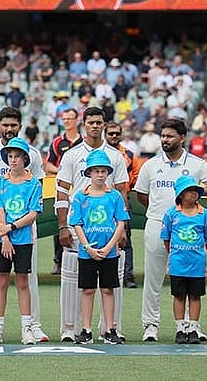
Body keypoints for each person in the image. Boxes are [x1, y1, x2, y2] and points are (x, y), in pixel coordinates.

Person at [134, 118, 207, 342]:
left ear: (182, 138)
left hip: (188, 227)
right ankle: (150, 325)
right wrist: (163, 214)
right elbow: (142, 195)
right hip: (157, 223)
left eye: (170, 136)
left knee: (188, 277)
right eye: (162, 136)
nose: (165, 140)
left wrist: (196, 193)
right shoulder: (151, 164)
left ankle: (190, 326)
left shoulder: (195, 163)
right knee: (153, 278)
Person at [0, 107, 48, 343]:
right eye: (5, 124)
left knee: (27, 275)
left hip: (24, 223)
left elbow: (38, 185)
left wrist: (15, 223)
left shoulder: (32, 154)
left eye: (13, 125)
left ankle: (33, 325)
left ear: (20, 126)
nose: (9, 129)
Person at [55, 106, 128, 342]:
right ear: (83, 124)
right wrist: (63, 225)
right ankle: (71, 328)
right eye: (90, 122)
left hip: (109, 229)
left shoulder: (116, 156)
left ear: (104, 124)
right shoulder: (72, 155)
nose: (95, 126)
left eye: (99, 122)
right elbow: (61, 191)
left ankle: (110, 328)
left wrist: (123, 228)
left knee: (109, 284)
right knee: (74, 280)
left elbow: (121, 191)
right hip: (79, 226)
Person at [0, 137, 42, 345]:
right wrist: (4, 236)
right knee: (0, 281)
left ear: (25, 158)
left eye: (17, 156)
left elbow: (33, 213)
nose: (13, 160)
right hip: (3, 238)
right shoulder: (0, 181)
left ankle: (26, 327)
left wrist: (11, 228)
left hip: (23, 239)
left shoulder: (33, 183)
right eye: (10, 156)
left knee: (22, 282)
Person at [69, 150, 128, 345]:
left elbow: (120, 223)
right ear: (89, 173)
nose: (100, 175)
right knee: (87, 290)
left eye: (104, 171)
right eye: (96, 171)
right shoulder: (80, 196)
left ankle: (110, 328)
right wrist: (87, 247)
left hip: (109, 252)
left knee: (107, 289)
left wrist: (110, 246)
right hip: (87, 253)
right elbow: (77, 223)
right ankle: (86, 329)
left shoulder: (115, 196)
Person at [161, 175, 207, 344]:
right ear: (181, 194)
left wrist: (200, 254)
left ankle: (193, 327)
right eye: (189, 191)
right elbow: (166, 238)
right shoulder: (171, 214)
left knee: (195, 296)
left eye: (196, 191)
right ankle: (180, 328)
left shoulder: (204, 214)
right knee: (178, 296)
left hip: (197, 263)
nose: (193, 194)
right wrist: (175, 254)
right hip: (178, 263)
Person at [45, 106, 82, 274]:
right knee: (60, 221)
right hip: (62, 187)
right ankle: (58, 260)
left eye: (69, 118)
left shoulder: (84, 142)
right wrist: (62, 171)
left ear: (77, 120)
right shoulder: (57, 142)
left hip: (81, 187)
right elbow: (48, 165)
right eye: (64, 118)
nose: (66, 121)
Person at [103, 122, 139, 287]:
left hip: (122, 200)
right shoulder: (99, 152)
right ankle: (105, 274)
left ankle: (127, 276)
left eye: (117, 133)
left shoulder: (129, 155)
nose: (114, 136)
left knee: (125, 239)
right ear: (105, 134)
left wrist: (128, 186)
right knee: (100, 236)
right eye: (110, 133)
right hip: (100, 201)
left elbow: (137, 175)